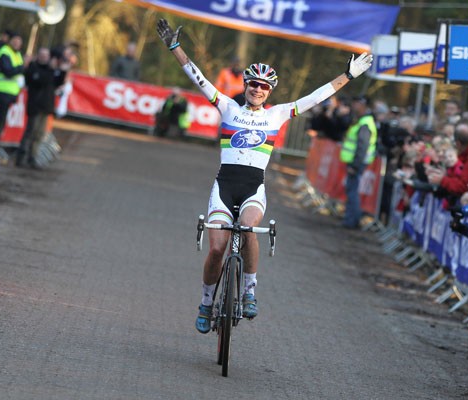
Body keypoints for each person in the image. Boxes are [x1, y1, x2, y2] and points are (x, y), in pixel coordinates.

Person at [155, 18, 373, 334]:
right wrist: (175, 47)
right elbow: (198, 78)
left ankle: (249, 291)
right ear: (245, 86)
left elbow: (316, 97)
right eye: (252, 84)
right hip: (225, 185)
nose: (257, 89)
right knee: (216, 249)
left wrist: (349, 75)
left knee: (248, 229)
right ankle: (205, 302)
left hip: (253, 186)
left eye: (263, 86)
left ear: (269, 92)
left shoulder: (277, 114)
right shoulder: (228, 107)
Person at [16, 47, 68, 168]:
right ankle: (21, 157)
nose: (44, 57)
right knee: (30, 132)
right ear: (38, 55)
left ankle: (33, 157)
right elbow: (40, 80)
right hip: (35, 106)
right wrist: (51, 69)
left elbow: (57, 82)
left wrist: (62, 71)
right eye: (42, 55)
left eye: (46, 55)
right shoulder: (33, 68)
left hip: (46, 107)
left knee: (39, 134)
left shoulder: (50, 70)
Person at [340, 95, 378, 229]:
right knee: (351, 191)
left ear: (363, 105)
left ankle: (352, 221)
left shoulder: (365, 123)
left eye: (357, 104)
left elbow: (362, 147)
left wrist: (355, 166)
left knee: (352, 191)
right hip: (355, 162)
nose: (354, 106)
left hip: (356, 164)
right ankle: (350, 219)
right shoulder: (362, 120)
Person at [0, 31, 24, 155]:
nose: (17, 44)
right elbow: (8, 71)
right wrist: (23, 68)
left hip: (11, 92)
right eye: (15, 41)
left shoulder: (18, 54)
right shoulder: (4, 52)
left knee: (2, 121)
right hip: (2, 91)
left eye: (19, 42)